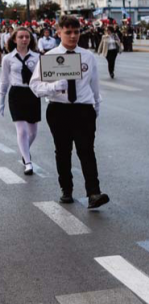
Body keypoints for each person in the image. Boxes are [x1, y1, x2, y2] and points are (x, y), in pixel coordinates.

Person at [28, 16, 110, 209]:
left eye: (76, 32)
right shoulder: (49, 57)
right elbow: (35, 85)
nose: (73, 36)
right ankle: (67, 190)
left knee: (87, 151)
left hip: (83, 109)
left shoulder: (87, 56)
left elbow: (94, 85)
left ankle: (93, 193)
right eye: (68, 32)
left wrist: (95, 107)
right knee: (63, 152)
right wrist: (54, 87)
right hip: (59, 109)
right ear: (59, 33)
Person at [0, 27, 42, 175]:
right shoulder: (7, 59)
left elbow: (43, 77)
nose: (24, 39)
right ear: (14, 39)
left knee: (33, 132)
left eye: (27, 37)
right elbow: (4, 80)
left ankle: (25, 151)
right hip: (16, 93)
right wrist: (1, 100)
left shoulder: (37, 57)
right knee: (22, 130)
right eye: (21, 37)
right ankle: (28, 162)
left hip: (32, 93)